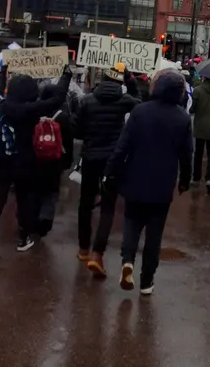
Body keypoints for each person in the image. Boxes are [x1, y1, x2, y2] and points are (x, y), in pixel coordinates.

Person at [104, 69, 193, 295]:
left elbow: (122, 146)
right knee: (154, 234)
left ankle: (127, 261)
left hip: (135, 176)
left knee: (131, 224)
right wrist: (185, 181)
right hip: (163, 183)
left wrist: (111, 172)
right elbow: (186, 155)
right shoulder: (182, 118)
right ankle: (147, 281)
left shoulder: (140, 111)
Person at [0, 65, 72, 262]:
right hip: (25, 164)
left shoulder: (3, 106)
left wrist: (2, 75)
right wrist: (65, 76)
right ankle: (23, 238)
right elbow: (57, 99)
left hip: (1, 163)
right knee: (24, 203)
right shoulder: (33, 110)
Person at [73, 63, 140, 276]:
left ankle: (84, 248)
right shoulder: (124, 101)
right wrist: (131, 79)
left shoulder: (87, 101)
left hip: (90, 158)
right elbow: (139, 104)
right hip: (112, 160)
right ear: (120, 81)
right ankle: (97, 253)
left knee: (85, 204)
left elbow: (77, 130)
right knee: (108, 207)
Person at [33, 84, 74, 237]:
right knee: (51, 190)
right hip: (55, 160)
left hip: (37, 158)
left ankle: (33, 217)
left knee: (36, 189)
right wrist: (67, 160)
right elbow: (68, 140)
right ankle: (46, 216)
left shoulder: (34, 112)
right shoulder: (62, 116)